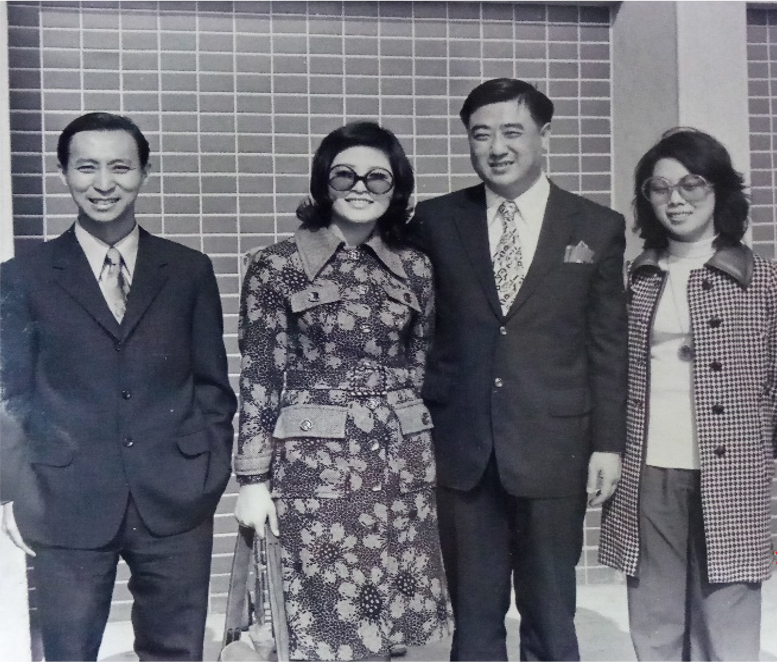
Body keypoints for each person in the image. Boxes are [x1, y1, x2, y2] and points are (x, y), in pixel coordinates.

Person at [0, 112, 236, 662]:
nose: (103, 184)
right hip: (66, 500)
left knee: (176, 652)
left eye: (120, 168)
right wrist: (14, 493)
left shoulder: (188, 269)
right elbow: (10, 395)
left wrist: (207, 472)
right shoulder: (22, 275)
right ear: (64, 173)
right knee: (68, 652)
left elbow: (212, 386)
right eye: (87, 168)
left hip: (176, 500)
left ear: (144, 173)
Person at [408, 78, 628, 662]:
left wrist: (608, 444)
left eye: (512, 131)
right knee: (474, 618)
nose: (497, 147)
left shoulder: (596, 226)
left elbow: (608, 347)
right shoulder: (435, 220)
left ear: (544, 136)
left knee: (552, 612)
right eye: (481, 135)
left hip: (556, 446)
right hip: (464, 448)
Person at [233, 121, 451, 662]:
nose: (360, 187)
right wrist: (253, 480)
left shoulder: (415, 268)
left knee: (386, 628)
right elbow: (260, 376)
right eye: (344, 175)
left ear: (396, 188)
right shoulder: (277, 265)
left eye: (377, 178)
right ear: (322, 183)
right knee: (321, 623)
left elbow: (418, 364)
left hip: (399, 465)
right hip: (315, 469)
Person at [598, 128, 777, 662]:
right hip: (648, 467)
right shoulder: (635, 277)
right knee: (655, 616)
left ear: (720, 191)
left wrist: (752, 445)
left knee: (726, 618)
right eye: (659, 188)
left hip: (730, 467)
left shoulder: (765, 278)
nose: (676, 199)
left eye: (692, 184)